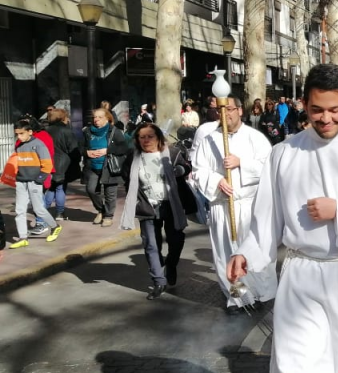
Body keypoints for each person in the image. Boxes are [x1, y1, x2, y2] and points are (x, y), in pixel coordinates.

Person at [227, 64, 338, 372]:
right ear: (303, 105)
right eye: (317, 110)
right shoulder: (285, 153)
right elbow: (266, 217)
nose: (326, 119)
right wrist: (246, 252)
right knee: (296, 361)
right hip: (302, 274)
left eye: (334, 110)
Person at [192, 96, 277, 314]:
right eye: (221, 110)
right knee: (225, 253)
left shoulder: (255, 138)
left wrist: (242, 164)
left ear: (239, 110)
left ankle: (258, 294)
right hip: (223, 206)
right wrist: (216, 181)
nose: (225, 114)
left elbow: (269, 168)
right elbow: (199, 170)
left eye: (230, 109)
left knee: (252, 251)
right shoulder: (209, 140)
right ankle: (236, 298)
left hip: (249, 206)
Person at [119, 123, 195, 300]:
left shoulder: (173, 153)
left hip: (171, 205)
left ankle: (171, 263)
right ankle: (158, 281)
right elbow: (126, 176)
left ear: (159, 137)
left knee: (175, 239)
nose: (146, 140)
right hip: (147, 206)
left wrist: (180, 170)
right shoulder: (133, 157)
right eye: (141, 137)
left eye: (150, 136)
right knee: (151, 244)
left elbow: (187, 167)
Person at [7, 119, 63, 248]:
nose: (19, 137)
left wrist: (39, 179)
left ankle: (55, 227)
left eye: (21, 133)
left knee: (38, 209)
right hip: (21, 181)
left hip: (34, 181)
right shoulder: (19, 145)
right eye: (17, 134)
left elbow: (47, 164)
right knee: (19, 210)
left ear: (30, 132)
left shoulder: (39, 144)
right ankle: (23, 238)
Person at [83, 108, 131, 227]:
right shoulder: (87, 131)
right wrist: (86, 153)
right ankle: (101, 210)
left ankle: (108, 216)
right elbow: (80, 146)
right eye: (95, 117)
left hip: (109, 166)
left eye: (100, 117)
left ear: (107, 119)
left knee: (110, 193)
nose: (96, 120)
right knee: (91, 190)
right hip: (93, 166)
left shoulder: (114, 131)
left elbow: (124, 148)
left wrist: (107, 150)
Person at [42, 109, 81, 222]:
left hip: (49, 162)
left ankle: (43, 211)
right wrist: (77, 160)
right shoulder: (66, 131)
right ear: (62, 117)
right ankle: (59, 212)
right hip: (63, 163)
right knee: (60, 187)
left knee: (51, 187)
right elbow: (73, 149)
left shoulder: (46, 131)